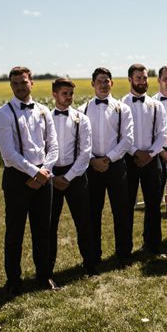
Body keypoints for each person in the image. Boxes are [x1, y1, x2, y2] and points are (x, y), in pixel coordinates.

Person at [0, 67, 60, 294]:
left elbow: (53, 146)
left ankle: (44, 276)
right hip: (17, 178)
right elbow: (8, 153)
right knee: (15, 232)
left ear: (32, 83)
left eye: (23, 82)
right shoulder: (3, 114)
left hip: (44, 176)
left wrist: (45, 171)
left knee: (43, 230)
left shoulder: (43, 111)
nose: (20, 87)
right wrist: (34, 172)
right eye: (15, 84)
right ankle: (13, 280)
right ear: (11, 86)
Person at [81, 68, 135, 264]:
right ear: (93, 84)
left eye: (107, 81)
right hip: (92, 167)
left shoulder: (123, 109)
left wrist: (108, 159)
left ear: (112, 83)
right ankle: (94, 254)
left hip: (116, 166)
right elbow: (82, 142)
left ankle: (124, 252)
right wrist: (93, 160)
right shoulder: (83, 110)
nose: (104, 84)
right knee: (93, 212)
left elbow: (127, 140)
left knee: (121, 210)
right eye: (100, 81)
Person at [48, 79, 94, 274]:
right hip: (50, 175)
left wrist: (68, 177)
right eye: (65, 93)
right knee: (49, 226)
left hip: (76, 174)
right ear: (55, 95)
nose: (69, 97)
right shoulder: (45, 117)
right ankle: (47, 270)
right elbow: (42, 149)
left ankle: (90, 264)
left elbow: (86, 152)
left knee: (84, 222)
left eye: (71, 94)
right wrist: (51, 176)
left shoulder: (81, 119)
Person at [122, 64, 167, 255]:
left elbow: (162, 134)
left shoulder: (156, 105)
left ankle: (153, 245)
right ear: (130, 80)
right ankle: (125, 249)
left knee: (153, 205)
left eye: (145, 77)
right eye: (138, 78)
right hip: (128, 160)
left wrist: (149, 154)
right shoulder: (121, 105)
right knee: (126, 206)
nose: (142, 81)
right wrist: (135, 152)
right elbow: (120, 135)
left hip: (152, 160)